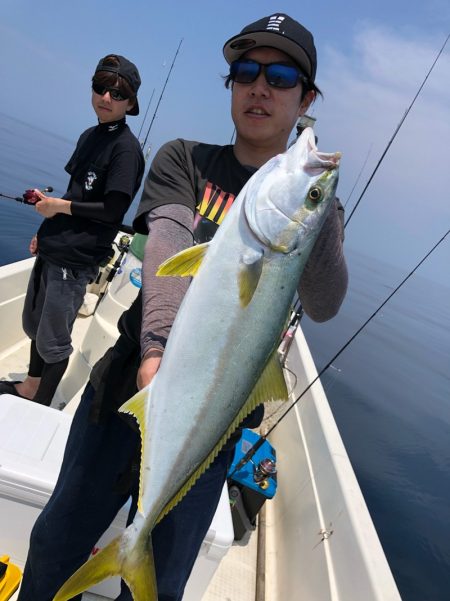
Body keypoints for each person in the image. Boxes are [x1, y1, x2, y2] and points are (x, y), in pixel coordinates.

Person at [17, 14, 348, 601]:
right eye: (246, 71)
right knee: (55, 543)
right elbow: (168, 241)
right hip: (127, 389)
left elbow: (325, 303)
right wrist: (156, 348)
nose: (260, 86)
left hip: (215, 423)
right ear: (231, 84)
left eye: (281, 75)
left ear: (307, 98)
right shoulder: (184, 160)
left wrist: (315, 212)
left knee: (158, 587)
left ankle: (134, 550)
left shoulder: (310, 205)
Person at [0, 54, 145, 407]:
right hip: (55, 245)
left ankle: (39, 404)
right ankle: (31, 386)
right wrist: (46, 220)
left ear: (130, 102)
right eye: (100, 88)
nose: (106, 98)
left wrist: (59, 209)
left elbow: (113, 209)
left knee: (54, 340)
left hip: (77, 257)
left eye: (117, 93)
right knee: (35, 326)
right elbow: (75, 193)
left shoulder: (126, 150)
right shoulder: (90, 135)